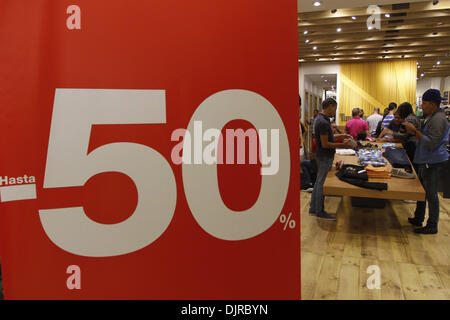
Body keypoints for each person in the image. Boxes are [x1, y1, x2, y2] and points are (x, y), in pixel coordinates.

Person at [403, 89, 450, 234]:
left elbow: (431, 143)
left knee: (431, 194)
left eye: (423, 103)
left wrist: (415, 131)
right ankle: (419, 217)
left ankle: (432, 225)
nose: (421, 106)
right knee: (423, 191)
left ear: (432, 104)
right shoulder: (433, 117)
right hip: (427, 159)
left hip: (433, 161)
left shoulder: (438, 119)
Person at [309, 98, 353, 220]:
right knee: (321, 184)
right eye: (335, 108)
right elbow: (325, 143)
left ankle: (313, 208)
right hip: (324, 156)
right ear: (330, 106)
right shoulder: (323, 122)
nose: (335, 111)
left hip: (322, 155)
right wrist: (343, 145)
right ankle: (319, 211)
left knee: (318, 182)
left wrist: (342, 135)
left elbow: (328, 137)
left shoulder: (321, 119)